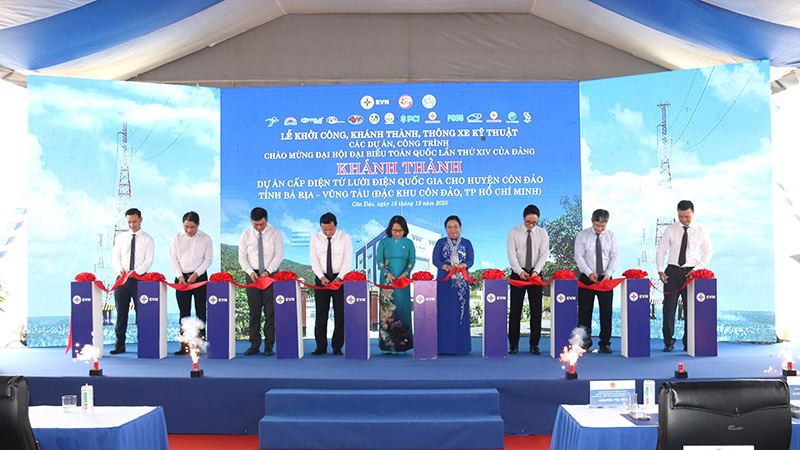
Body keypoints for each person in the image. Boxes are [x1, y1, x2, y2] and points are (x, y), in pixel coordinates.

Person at [656, 200, 712, 352]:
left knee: (690, 309)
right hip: (672, 272)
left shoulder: (701, 230)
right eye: (681, 216)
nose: (684, 220)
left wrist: (697, 270)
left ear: (693, 213)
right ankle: (668, 341)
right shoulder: (671, 229)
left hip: (691, 273)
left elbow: (708, 252)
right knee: (669, 309)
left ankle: (689, 342)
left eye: (687, 216)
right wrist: (660, 270)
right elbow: (661, 250)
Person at [238, 207, 283, 356]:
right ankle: (254, 344)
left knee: (270, 312)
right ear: (251, 221)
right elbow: (242, 257)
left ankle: (269, 345)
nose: (258, 227)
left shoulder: (275, 233)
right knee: (254, 311)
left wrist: (268, 271)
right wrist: (250, 271)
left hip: (270, 275)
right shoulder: (246, 235)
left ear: (267, 219)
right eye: (255, 224)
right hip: (252, 275)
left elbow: (279, 255)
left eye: (262, 224)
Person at [574, 209, 619, 354]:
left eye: (603, 226)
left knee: (606, 311)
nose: (599, 229)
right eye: (597, 225)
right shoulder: (582, 235)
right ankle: (584, 343)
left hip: (605, 278)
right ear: (592, 221)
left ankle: (605, 343)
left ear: (607, 223)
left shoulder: (611, 236)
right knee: (584, 311)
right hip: (587, 278)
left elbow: (614, 256)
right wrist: (589, 273)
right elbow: (579, 256)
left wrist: (608, 273)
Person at [110, 208, 154, 354]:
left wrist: (136, 272)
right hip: (122, 280)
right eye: (129, 222)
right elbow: (116, 257)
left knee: (142, 313)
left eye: (134, 221)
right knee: (121, 313)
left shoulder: (148, 239)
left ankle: (145, 344)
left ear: (140, 219)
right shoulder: (121, 238)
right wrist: (120, 269)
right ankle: (119, 344)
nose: (131, 225)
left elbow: (148, 261)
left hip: (139, 280)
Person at [507, 204, 549, 355]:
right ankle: (513, 344)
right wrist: (519, 271)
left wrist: (536, 271)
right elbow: (511, 254)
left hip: (536, 275)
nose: (531, 225)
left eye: (534, 222)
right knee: (515, 311)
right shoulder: (514, 232)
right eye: (528, 222)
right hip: (518, 274)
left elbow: (544, 255)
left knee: (536, 311)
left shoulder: (543, 233)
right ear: (523, 218)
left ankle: (534, 344)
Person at [169, 211, 213, 355]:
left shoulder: (206, 238)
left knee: (201, 311)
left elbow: (208, 260)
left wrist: (196, 274)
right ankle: (185, 345)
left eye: (192, 227)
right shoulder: (176, 238)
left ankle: (200, 344)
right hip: (181, 278)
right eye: (186, 227)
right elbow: (173, 259)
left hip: (199, 278)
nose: (189, 230)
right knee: (184, 313)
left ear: (198, 225)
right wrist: (179, 276)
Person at [309, 212, 353, 355]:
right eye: (324, 230)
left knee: (340, 313)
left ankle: (337, 346)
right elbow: (314, 260)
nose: (327, 233)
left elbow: (348, 259)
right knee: (321, 312)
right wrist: (321, 276)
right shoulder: (315, 238)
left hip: (339, 278)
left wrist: (340, 277)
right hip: (321, 278)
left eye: (330, 229)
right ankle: (320, 346)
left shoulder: (344, 237)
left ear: (336, 226)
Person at [432, 215, 474, 355]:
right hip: (444, 283)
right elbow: (435, 260)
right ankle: (443, 347)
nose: (452, 230)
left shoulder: (467, 243)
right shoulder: (440, 242)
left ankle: (460, 347)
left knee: (460, 313)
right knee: (444, 313)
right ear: (445, 229)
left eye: (455, 227)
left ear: (460, 227)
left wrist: (463, 266)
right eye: (449, 227)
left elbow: (470, 260)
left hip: (461, 284)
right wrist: (447, 267)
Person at [376, 215, 416, 353]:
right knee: (387, 311)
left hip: (403, 282)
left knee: (402, 310)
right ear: (390, 230)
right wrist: (387, 272)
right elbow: (379, 260)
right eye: (394, 230)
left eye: (400, 230)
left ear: (404, 230)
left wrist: (405, 273)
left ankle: (402, 345)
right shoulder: (383, 242)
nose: (397, 233)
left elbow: (411, 261)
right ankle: (386, 345)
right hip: (387, 282)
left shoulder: (409, 243)